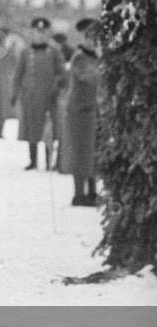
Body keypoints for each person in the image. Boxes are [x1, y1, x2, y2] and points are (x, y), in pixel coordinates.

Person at [12, 16, 67, 170]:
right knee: (32, 128)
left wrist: (57, 85)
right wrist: (14, 93)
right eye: (37, 32)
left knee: (49, 129)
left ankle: (49, 161)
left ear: (47, 33)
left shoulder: (54, 51)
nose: (40, 35)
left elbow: (62, 72)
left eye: (43, 32)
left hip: (50, 97)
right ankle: (33, 160)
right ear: (32, 33)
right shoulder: (25, 51)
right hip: (30, 98)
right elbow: (18, 73)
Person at [60, 18, 100, 206]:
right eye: (88, 36)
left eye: (94, 37)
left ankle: (92, 192)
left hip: (93, 111)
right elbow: (90, 77)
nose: (91, 40)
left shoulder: (95, 57)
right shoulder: (79, 58)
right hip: (79, 111)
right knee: (80, 152)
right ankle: (78, 194)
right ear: (82, 37)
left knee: (94, 151)